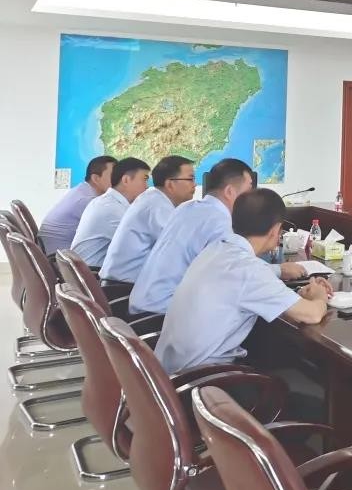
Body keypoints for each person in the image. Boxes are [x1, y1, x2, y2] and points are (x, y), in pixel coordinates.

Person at [154, 188, 332, 374]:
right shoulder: (249, 270)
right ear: (275, 230)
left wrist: (297, 297)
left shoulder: (216, 249)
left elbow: (246, 286)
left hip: (168, 372)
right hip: (202, 378)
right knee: (289, 382)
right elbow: (311, 315)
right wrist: (320, 296)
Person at [131, 158, 304, 314]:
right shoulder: (219, 222)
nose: (253, 194)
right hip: (161, 311)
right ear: (229, 191)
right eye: (249, 188)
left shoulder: (188, 208)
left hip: (145, 301)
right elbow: (235, 273)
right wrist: (279, 270)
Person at [99, 155, 196, 284]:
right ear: (170, 184)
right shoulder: (157, 206)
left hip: (123, 283)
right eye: (190, 179)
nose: (195, 184)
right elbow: (181, 249)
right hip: (124, 288)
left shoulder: (154, 200)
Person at [70, 157, 150, 268]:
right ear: (126, 180)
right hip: (94, 274)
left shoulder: (107, 202)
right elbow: (143, 248)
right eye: (144, 179)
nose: (147, 187)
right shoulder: (112, 209)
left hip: (89, 271)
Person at [39, 156, 117, 255]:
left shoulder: (82, 190)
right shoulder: (87, 200)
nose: (119, 180)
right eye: (114, 175)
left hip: (57, 254)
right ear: (96, 178)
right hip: (59, 257)